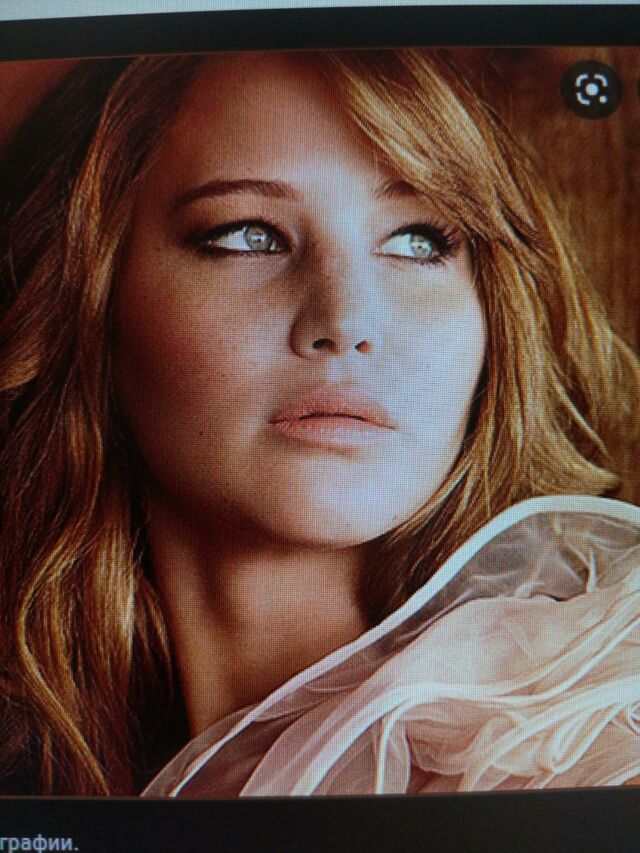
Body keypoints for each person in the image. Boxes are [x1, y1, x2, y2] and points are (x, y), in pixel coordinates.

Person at [0, 49, 638, 797]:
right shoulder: (45, 782)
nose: (346, 321)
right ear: (89, 299)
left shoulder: (584, 744)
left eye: (417, 240)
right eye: (248, 234)